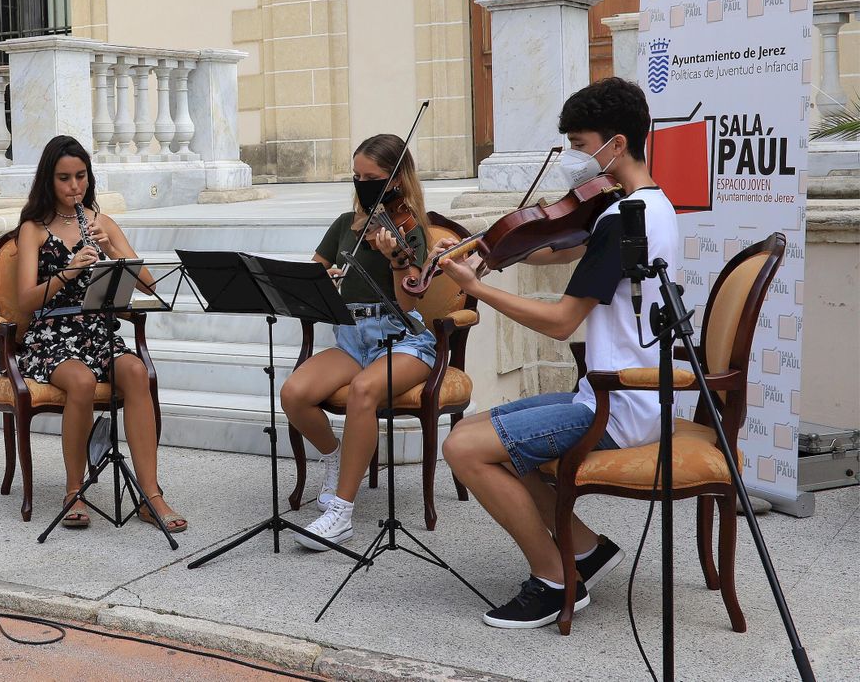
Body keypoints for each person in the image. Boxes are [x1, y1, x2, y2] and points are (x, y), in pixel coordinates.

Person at [440, 77, 676, 629]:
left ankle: (555, 578)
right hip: (619, 391)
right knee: (485, 433)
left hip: (617, 404)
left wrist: (477, 290)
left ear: (615, 145)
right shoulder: (646, 206)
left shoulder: (622, 220)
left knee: (464, 447)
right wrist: (491, 256)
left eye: (578, 143)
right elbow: (561, 248)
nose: (573, 156)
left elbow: (561, 321)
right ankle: (586, 550)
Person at [280, 134, 453, 549]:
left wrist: (396, 259)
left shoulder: (411, 228)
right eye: (356, 175)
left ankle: (341, 513)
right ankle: (334, 455)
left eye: (372, 177)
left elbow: (408, 300)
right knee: (294, 393)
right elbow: (313, 272)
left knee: (362, 392)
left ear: (396, 179)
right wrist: (326, 279)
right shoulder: (345, 224)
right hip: (351, 337)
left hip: (402, 338)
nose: (362, 183)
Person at [14, 135, 186, 533]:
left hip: (96, 330)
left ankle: (150, 494)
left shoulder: (100, 222)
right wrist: (69, 271)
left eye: (81, 177)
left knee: (137, 373)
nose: (75, 186)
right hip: (52, 335)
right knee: (82, 380)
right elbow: (25, 301)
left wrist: (114, 251)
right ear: (48, 181)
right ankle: (75, 490)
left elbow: (148, 283)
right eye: (64, 179)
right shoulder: (33, 229)